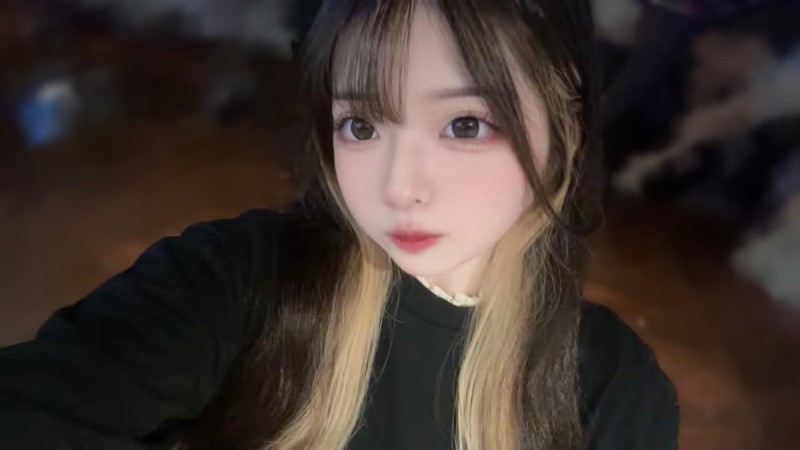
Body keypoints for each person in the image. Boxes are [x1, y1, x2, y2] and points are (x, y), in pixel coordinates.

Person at [0, 1, 679, 449]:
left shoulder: (610, 386)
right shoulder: (244, 282)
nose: (398, 188)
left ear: (565, 131)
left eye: (465, 125)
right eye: (361, 125)